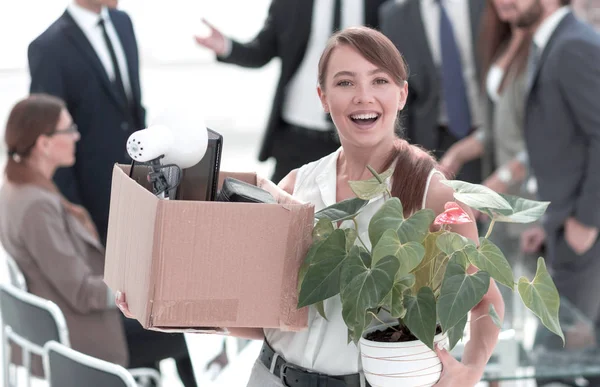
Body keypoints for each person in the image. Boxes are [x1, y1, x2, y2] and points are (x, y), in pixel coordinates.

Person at [119, 27, 504, 386]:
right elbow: (269, 315)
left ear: (401, 94)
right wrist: (162, 306)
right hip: (272, 376)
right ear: (322, 98)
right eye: (345, 82)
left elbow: (486, 298)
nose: (363, 96)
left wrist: (469, 372)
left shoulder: (432, 196)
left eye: (379, 81)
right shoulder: (296, 186)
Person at [0, 94, 197, 386]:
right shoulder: (36, 207)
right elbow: (82, 292)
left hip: (71, 317)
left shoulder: (17, 188)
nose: (77, 136)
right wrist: (141, 283)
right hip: (85, 334)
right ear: (44, 143)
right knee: (175, 329)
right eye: (69, 130)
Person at [506, 0, 600, 385]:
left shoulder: (573, 44)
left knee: (564, 367)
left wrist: (586, 223)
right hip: (563, 226)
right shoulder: (554, 42)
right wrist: (550, 220)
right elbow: (564, 143)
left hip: (583, 236)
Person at [194, 0, 386, 182]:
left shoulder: (383, 4)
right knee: (279, 210)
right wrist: (226, 46)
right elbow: (262, 50)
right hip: (296, 135)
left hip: (359, 134)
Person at [28, 0, 145, 246]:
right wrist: (76, 214)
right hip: (92, 205)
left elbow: (133, 108)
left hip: (139, 191)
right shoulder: (48, 48)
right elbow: (50, 141)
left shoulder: (124, 23)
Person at [379, 0, 485, 183]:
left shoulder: (486, 5)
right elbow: (398, 93)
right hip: (432, 140)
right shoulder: (396, 15)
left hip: (489, 132)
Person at [440, 0, 531, 198]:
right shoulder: (503, 44)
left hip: (532, 191)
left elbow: (553, 135)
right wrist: (456, 154)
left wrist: (506, 176)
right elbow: (494, 130)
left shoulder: (544, 49)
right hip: (501, 190)